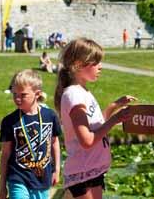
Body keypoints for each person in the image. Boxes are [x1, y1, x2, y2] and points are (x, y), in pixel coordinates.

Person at [54, 38, 137, 198]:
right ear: (78, 64)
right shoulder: (74, 96)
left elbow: (96, 124)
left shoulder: (82, 92)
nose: (101, 67)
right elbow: (87, 140)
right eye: (96, 62)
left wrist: (114, 106)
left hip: (91, 169)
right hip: (83, 171)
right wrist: (115, 120)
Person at [0, 69, 61, 199]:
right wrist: (2, 187)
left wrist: (57, 170)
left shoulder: (50, 116)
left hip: (42, 179)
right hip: (18, 178)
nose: (17, 98)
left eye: (23, 95)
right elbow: (5, 154)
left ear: (37, 94)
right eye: (14, 94)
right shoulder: (9, 121)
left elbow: (55, 143)